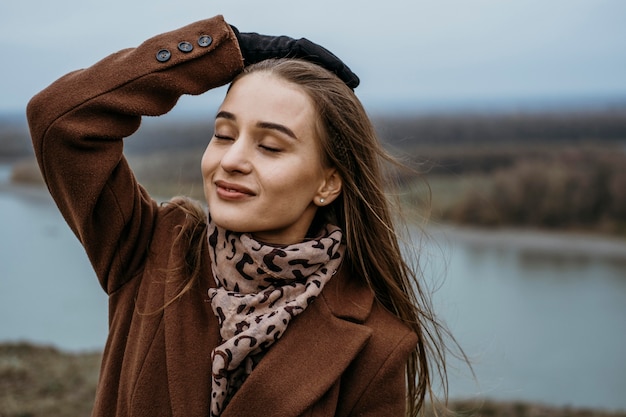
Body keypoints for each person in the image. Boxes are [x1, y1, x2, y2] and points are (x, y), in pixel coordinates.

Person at [27, 15, 456, 417]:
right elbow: (61, 118)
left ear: (328, 182)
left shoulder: (374, 346)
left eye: (269, 146)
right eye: (223, 134)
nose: (231, 160)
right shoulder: (150, 248)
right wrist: (221, 49)